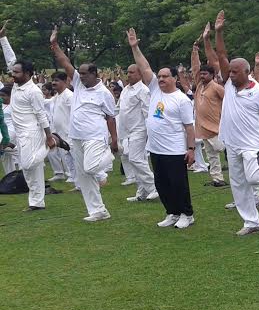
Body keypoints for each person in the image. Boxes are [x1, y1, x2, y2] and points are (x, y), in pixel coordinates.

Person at [211, 11, 259, 235]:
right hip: (232, 144)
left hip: (251, 144)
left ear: (247, 72)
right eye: (229, 71)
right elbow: (221, 54)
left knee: (253, 178)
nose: (229, 75)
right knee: (239, 185)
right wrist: (219, 32)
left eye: (234, 71)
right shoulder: (230, 86)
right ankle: (252, 223)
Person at [127, 29, 196, 228]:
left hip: (174, 149)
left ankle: (187, 214)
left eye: (166, 76)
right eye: (160, 76)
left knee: (178, 184)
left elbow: (189, 127)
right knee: (162, 184)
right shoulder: (155, 89)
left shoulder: (181, 100)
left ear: (175, 78)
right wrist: (135, 47)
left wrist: (191, 150)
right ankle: (172, 212)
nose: (162, 79)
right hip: (155, 148)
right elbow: (144, 66)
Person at [50, 26, 118, 222]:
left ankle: (108, 159)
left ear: (95, 74)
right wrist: (55, 44)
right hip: (76, 137)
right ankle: (98, 210)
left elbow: (110, 117)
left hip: (95, 136)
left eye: (85, 74)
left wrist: (114, 140)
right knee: (83, 176)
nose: (81, 76)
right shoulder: (79, 84)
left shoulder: (104, 93)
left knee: (90, 167)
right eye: (79, 73)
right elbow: (64, 61)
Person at [10, 59, 56, 211]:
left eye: (17, 72)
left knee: (28, 164)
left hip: (32, 132)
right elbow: (11, 58)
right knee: (30, 171)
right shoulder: (17, 86)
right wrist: (3, 39)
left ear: (27, 74)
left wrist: (49, 137)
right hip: (20, 133)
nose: (13, 74)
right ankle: (37, 203)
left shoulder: (34, 91)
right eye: (13, 71)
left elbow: (41, 115)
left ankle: (55, 142)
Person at [117, 63, 158, 202]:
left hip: (140, 130)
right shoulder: (126, 90)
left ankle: (154, 187)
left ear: (140, 74)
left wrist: (149, 132)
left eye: (132, 72)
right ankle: (142, 192)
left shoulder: (143, 90)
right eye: (127, 72)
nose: (129, 75)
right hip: (128, 131)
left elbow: (148, 112)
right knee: (136, 160)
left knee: (135, 159)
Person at [191, 29, 227, 187]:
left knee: (222, 148)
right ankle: (217, 179)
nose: (203, 76)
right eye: (202, 74)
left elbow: (228, 102)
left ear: (212, 75)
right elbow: (195, 68)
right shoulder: (199, 86)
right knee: (211, 155)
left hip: (216, 126)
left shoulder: (217, 87)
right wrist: (195, 52)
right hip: (203, 127)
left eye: (206, 74)